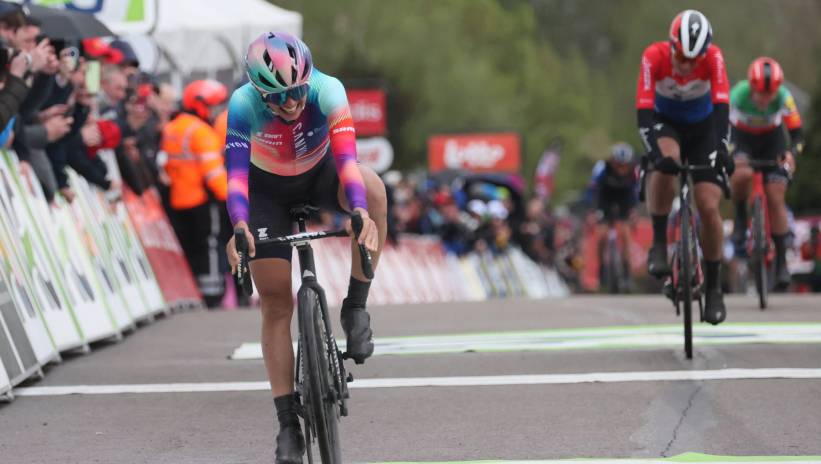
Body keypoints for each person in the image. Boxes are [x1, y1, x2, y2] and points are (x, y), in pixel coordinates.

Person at [223, 32, 386, 463]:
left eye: (296, 92)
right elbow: (236, 179)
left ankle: (355, 306)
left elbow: (348, 160)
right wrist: (239, 226)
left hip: (321, 173)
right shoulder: (242, 104)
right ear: (259, 92)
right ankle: (288, 424)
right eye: (277, 98)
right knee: (276, 303)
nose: (291, 104)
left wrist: (358, 210)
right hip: (266, 192)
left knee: (374, 189)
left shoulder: (328, 90)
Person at [636, 10, 733, 324]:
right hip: (666, 124)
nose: (687, 65)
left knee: (708, 204)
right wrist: (654, 154)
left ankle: (715, 288)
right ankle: (659, 245)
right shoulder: (654, 57)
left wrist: (722, 149)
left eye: (695, 59)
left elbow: (722, 108)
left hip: (703, 128)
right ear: (671, 44)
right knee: (667, 164)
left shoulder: (714, 58)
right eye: (681, 56)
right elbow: (644, 113)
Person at [728, 57, 803, 290]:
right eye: (760, 93)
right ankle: (741, 216)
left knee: (776, 195)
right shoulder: (738, 95)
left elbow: (797, 135)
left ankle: (781, 260)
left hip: (773, 142)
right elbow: (722, 128)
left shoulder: (783, 97)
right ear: (751, 86)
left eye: (769, 94)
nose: (765, 99)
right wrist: (729, 153)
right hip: (743, 140)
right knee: (741, 174)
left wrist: (791, 153)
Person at [160, 79, 229, 308]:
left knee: (188, 248)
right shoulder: (202, 133)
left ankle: (190, 292)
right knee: (209, 246)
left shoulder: (171, 129)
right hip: (201, 201)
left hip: (176, 202)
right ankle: (211, 295)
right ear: (200, 105)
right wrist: (234, 199)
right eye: (212, 106)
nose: (215, 112)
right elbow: (214, 176)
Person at [588, 142, 638, 281]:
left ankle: (626, 268)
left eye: (625, 165)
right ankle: (602, 266)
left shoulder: (634, 171)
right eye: (618, 165)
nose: (622, 169)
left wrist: (634, 211)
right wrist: (593, 211)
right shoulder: (602, 168)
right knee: (602, 234)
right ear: (612, 161)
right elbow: (593, 190)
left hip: (624, 199)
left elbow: (635, 192)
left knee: (625, 233)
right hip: (605, 198)